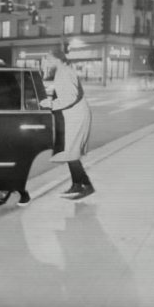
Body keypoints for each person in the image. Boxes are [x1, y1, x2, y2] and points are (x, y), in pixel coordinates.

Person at [40, 48, 95, 201]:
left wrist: (50, 103)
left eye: (49, 60)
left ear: (57, 59)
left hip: (75, 116)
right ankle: (77, 185)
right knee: (70, 152)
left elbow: (70, 97)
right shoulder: (63, 71)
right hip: (73, 115)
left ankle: (86, 186)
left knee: (71, 152)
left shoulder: (63, 72)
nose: (48, 63)